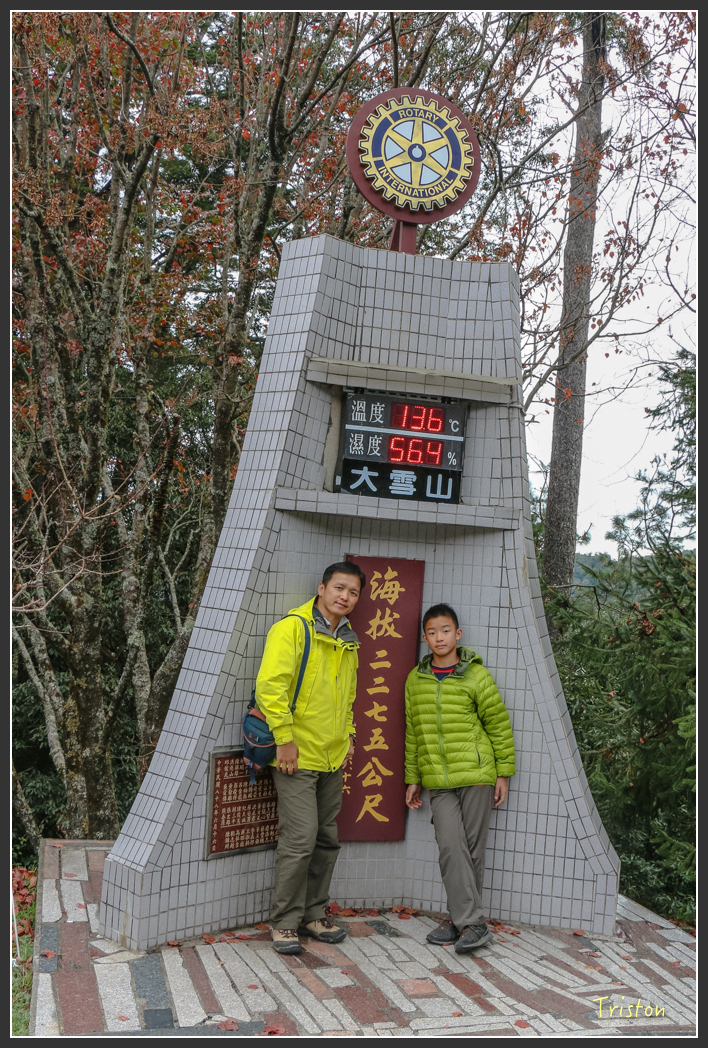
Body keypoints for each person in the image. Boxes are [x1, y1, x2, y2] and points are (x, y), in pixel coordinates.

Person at [255, 562, 365, 955]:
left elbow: (349, 696)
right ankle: (285, 921)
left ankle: (313, 914)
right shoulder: (293, 628)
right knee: (300, 839)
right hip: (296, 756)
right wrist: (284, 739)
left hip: (332, 757)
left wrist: (349, 736)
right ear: (321, 588)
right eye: (339, 588)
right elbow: (271, 687)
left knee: (326, 838)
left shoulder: (349, 640)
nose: (345, 597)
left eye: (353, 593)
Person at [404, 603, 515, 953]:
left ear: (458, 634)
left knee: (472, 851)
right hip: (438, 778)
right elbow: (413, 733)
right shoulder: (415, 680)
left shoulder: (475, 676)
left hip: (477, 774)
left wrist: (503, 772)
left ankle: (460, 922)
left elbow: (497, 725)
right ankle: (472, 923)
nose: (440, 637)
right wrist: (413, 777)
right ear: (425, 638)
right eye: (433, 632)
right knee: (452, 846)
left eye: (446, 630)